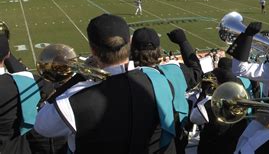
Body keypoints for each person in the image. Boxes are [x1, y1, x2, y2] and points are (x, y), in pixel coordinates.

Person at [35, 14, 177, 153]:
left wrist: (77, 78)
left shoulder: (75, 99)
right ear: (130, 44)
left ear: (93, 50)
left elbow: (41, 125)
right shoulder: (161, 83)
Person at [189, 68, 247, 154]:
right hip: (233, 148)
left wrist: (203, 93)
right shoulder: (243, 103)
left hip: (212, 148)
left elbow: (193, 117)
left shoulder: (209, 104)